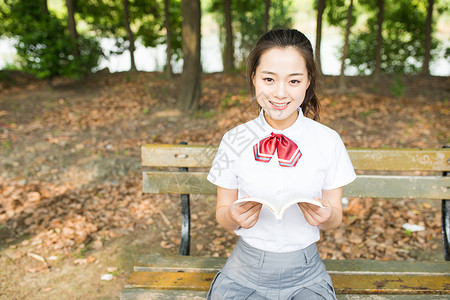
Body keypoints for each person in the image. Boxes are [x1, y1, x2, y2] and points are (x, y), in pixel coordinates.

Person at [207, 29, 356, 300]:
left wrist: (326, 216)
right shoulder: (234, 139)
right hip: (243, 271)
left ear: (308, 81)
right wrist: (233, 217)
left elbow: (335, 217)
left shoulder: (328, 141)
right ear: (253, 78)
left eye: (294, 81)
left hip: (306, 274)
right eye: (268, 79)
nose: (280, 93)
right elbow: (222, 212)